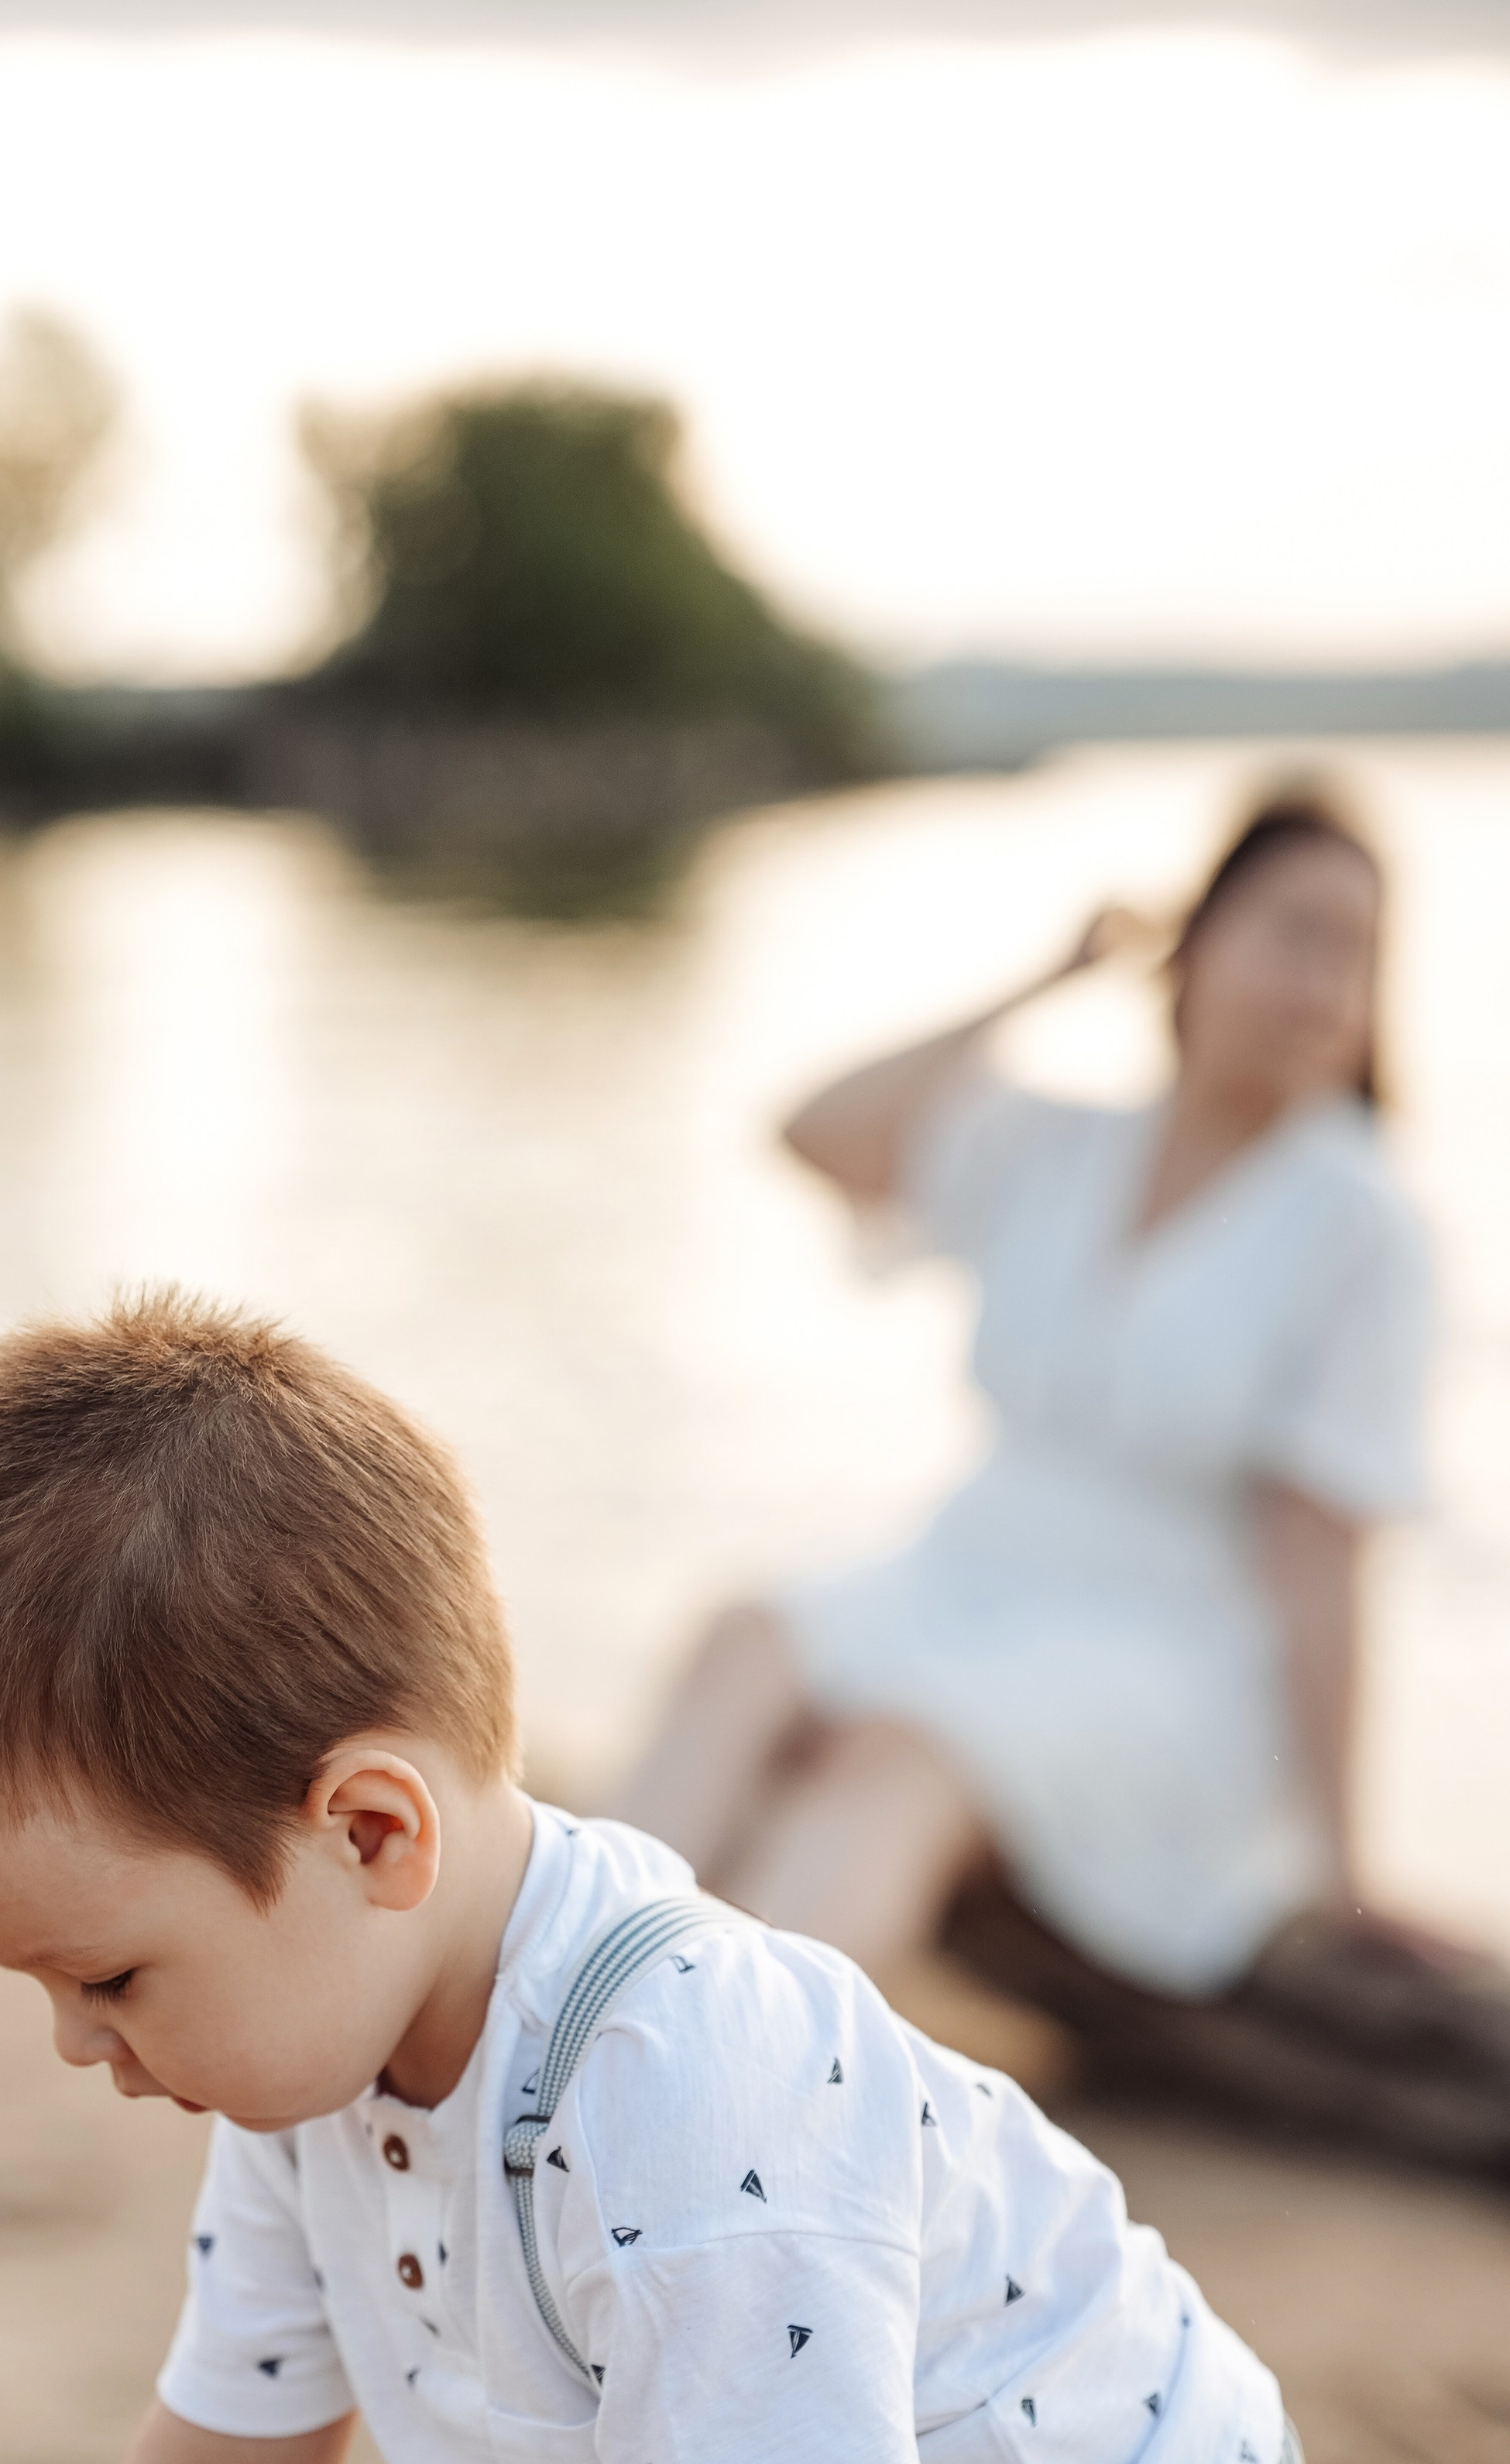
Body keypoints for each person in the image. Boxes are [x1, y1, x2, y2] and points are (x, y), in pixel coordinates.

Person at [0, 1290, 1342, 2464]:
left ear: (369, 1831)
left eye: (106, 1974)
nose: (74, 2043)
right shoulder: (304, 2075)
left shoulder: (681, 2093)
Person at [613, 792, 1510, 2169]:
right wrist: (1050, 977)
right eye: (1295, 935)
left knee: (894, 1754)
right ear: (1197, 943)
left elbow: (1323, 1559)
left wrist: (1341, 1865)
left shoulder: (1359, 1221)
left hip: (1175, 1653)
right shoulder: (1063, 1146)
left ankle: (692, 2113)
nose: (1324, 986)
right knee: (747, 1636)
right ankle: (564, 2007)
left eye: (1358, 954)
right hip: (967, 1570)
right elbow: (813, 1129)